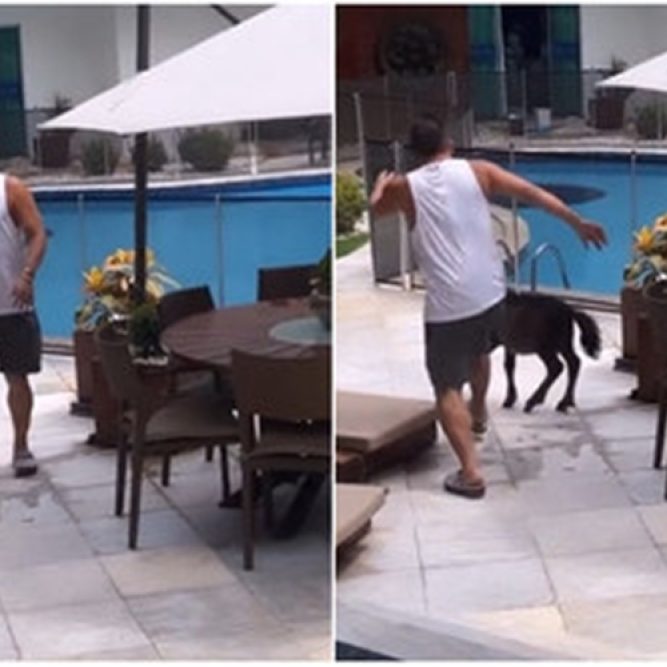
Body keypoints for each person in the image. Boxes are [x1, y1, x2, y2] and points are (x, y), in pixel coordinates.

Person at [369, 115, 606, 499]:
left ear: (414, 153)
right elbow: (534, 194)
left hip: (448, 307)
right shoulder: (479, 171)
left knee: (446, 387)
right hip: (493, 298)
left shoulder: (404, 187)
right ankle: (478, 410)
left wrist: (381, 185)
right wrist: (577, 222)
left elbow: (377, 208)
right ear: (448, 143)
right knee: (480, 350)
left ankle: (471, 473)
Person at [0, 174, 48, 477]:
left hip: (10, 304)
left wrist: (27, 275)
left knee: (17, 378)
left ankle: (21, 445)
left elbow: (37, 233)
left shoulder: (10, 190)